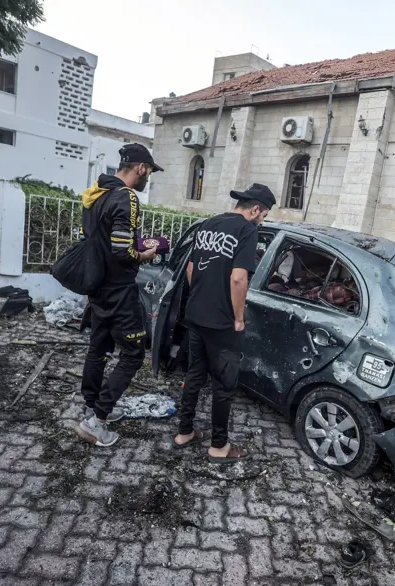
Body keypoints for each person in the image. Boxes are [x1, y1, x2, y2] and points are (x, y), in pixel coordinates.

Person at [173, 183, 276, 463]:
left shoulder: (208, 224)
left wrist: (202, 297)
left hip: (195, 315)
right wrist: (239, 318)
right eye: (263, 214)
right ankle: (219, 446)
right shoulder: (247, 230)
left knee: (195, 375)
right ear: (255, 209)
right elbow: (238, 278)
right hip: (222, 324)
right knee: (223, 384)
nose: (261, 219)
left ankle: (184, 432)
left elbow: (192, 269)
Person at [77, 144, 161, 447]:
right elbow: (122, 250)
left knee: (98, 347)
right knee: (133, 354)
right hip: (119, 291)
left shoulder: (97, 194)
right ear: (140, 168)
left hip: (98, 287)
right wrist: (147, 253)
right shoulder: (127, 197)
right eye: (149, 171)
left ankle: (91, 404)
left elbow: (102, 242)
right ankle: (97, 420)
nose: (148, 177)